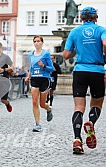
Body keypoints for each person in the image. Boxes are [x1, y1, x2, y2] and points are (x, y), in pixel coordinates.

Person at [63, 7, 106, 154]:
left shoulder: (74, 32)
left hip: (80, 70)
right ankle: (91, 122)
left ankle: (77, 139)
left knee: (78, 107)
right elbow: (105, 44)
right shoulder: (101, 30)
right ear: (96, 17)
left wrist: (78, 47)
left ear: (81, 18)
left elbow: (66, 55)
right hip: (97, 70)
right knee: (97, 103)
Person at [25, 36, 54, 132]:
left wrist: (43, 66)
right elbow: (31, 67)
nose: (36, 43)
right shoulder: (30, 54)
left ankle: (48, 109)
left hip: (44, 79)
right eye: (35, 41)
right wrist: (28, 76)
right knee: (34, 101)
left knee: (42, 104)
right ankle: (37, 124)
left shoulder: (46, 54)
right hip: (35, 79)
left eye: (38, 41)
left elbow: (51, 68)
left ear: (42, 43)